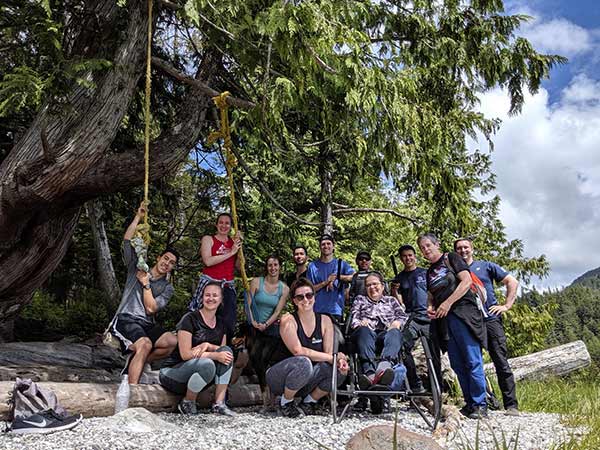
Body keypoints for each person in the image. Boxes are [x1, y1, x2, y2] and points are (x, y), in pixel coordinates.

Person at [417, 233, 488, 419]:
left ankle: (480, 404)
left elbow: (466, 281)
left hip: (464, 314)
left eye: (427, 245)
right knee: (457, 363)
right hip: (444, 321)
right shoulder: (429, 271)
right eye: (422, 248)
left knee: (472, 359)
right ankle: (469, 403)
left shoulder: (451, 258)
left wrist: (448, 303)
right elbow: (431, 296)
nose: (425, 250)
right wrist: (431, 307)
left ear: (436, 244)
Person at [111, 203, 178, 384]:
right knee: (145, 344)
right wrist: (138, 217)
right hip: (126, 318)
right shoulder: (137, 268)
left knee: (172, 341)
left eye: (171, 263)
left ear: (173, 267)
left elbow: (151, 309)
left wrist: (146, 284)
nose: (167, 263)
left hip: (146, 322)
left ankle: (135, 361)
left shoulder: (167, 287)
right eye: (165, 258)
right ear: (158, 258)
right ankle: (132, 390)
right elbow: (127, 241)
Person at [454, 237, 520, 416]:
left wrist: (506, 306)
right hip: (468, 322)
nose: (463, 251)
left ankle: (511, 405)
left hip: (490, 319)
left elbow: (511, 282)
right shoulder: (454, 271)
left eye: (465, 247)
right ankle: (481, 402)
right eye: (459, 248)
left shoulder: (486, 266)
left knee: (500, 360)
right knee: (472, 362)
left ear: (472, 248)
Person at [265, 278, 349, 417]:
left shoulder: (325, 320)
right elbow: (298, 351)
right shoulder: (288, 320)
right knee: (303, 362)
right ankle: (286, 402)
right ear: (294, 301)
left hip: (309, 377)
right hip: (281, 376)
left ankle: (310, 401)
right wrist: (334, 357)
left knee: (339, 369)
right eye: (300, 297)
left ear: (314, 297)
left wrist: (339, 361)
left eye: (309, 295)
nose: (305, 300)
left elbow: (328, 355)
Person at [159, 282, 236, 416]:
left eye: (215, 295)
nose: (210, 298)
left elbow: (221, 350)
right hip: (174, 373)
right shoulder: (189, 319)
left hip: (201, 377)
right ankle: (188, 402)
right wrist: (214, 355)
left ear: (221, 299)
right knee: (207, 364)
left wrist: (208, 345)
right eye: (207, 295)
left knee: (227, 352)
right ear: (202, 298)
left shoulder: (222, 323)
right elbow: (185, 355)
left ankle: (219, 404)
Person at [189, 213, 242, 342]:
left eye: (227, 223)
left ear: (231, 226)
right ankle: (197, 343)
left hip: (227, 285)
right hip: (210, 282)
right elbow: (207, 261)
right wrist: (231, 252)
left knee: (228, 321)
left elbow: (240, 267)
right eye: (221, 222)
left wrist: (240, 249)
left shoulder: (233, 243)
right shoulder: (209, 239)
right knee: (202, 316)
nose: (223, 226)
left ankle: (224, 348)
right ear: (216, 224)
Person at [351, 272, 408, 387]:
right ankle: (370, 373)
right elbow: (354, 318)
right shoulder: (360, 299)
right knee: (363, 330)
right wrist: (360, 324)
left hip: (386, 333)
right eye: (368, 285)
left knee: (395, 332)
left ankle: (384, 366)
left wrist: (397, 322)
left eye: (375, 284)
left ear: (382, 286)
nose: (372, 287)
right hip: (367, 333)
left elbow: (403, 316)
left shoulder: (391, 300)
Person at [246, 255, 290, 400]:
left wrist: (265, 324)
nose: (273, 268)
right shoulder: (256, 282)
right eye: (270, 265)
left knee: (266, 357)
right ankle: (264, 391)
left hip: (270, 326)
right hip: (253, 324)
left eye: (275, 265)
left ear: (279, 267)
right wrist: (252, 321)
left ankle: (272, 392)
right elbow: (249, 303)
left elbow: (277, 311)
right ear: (266, 267)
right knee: (254, 355)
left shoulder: (284, 288)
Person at [390, 245, 430, 394]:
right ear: (401, 259)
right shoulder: (399, 278)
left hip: (428, 315)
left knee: (433, 351)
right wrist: (394, 290)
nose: (408, 258)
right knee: (403, 346)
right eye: (405, 256)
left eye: (410, 255)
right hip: (411, 317)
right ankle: (415, 385)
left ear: (415, 256)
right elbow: (398, 302)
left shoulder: (425, 273)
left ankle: (436, 386)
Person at [306, 234, 354, 322]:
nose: (326, 246)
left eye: (328, 244)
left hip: (336, 310)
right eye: (323, 244)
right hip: (317, 310)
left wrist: (338, 277)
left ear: (333, 246)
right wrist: (325, 282)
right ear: (320, 247)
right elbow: (309, 290)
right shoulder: (312, 266)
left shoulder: (341, 264)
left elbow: (354, 277)